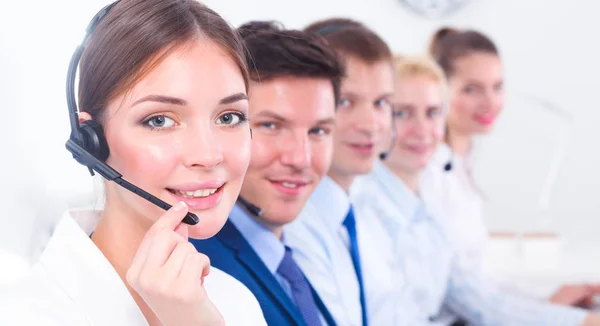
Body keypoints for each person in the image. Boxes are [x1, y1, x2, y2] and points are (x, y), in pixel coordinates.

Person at [0, 1, 268, 325]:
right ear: (92, 142)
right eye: (159, 121)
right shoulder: (20, 315)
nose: (209, 155)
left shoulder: (235, 301)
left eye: (229, 117)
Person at [350, 54, 600, 325]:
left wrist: (577, 320)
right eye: (402, 113)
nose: (422, 130)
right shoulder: (364, 209)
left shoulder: (426, 202)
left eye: (432, 113)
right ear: (379, 118)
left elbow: (475, 298)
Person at [421, 26, 600, 308]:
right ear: (439, 90)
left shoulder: (460, 165)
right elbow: (459, 290)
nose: (490, 102)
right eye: (472, 89)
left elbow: (481, 274)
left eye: (497, 87)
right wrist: (545, 310)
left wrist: (545, 299)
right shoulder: (428, 173)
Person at [190, 21, 343, 326]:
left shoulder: (298, 251)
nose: (301, 159)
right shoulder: (198, 276)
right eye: (271, 126)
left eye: (318, 130)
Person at [285, 18, 395, 326]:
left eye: (381, 103)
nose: (371, 124)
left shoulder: (364, 210)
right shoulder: (290, 225)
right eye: (346, 101)